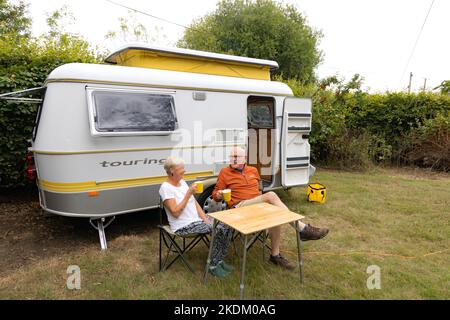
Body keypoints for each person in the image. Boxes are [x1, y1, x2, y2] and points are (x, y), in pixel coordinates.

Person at [212, 147, 329, 270]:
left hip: (256, 207)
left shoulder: (253, 170)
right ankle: (302, 229)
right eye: (232, 156)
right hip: (239, 208)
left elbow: (259, 191)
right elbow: (215, 196)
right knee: (271, 195)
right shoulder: (225, 172)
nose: (234, 159)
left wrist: (262, 202)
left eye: (237, 157)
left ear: (245, 158)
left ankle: (275, 255)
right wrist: (219, 195)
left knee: (276, 214)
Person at [159, 156, 233, 278]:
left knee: (226, 224)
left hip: (197, 221)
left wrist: (206, 219)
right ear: (172, 171)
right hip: (183, 226)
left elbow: (195, 203)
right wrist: (188, 193)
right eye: (181, 168)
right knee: (218, 228)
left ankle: (219, 260)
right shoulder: (165, 188)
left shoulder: (181, 182)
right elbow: (175, 213)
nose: (184, 171)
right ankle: (213, 266)